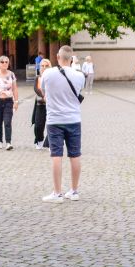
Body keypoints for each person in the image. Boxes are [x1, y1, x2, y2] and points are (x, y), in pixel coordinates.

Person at [39, 45, 85, 203]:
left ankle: (57, 193)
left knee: (56, 155)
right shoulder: (79, 76)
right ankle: (74, 191)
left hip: (54, 120)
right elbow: (78, 91)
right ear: (71, 59)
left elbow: (43, 92)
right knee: (75, 155)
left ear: (58, 57)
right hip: (74, 119)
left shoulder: (48, 73)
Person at [31, 59, 51, 149]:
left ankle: (50, 143)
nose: (44, 67)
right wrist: (44, 96)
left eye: (46, 66)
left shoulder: (53, 77)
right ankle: (39, 139)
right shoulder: (38, 78)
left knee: (52, 125)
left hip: (51, 105)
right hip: (40, 104)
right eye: (42, 66)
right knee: (38, 125)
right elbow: (36, 89)